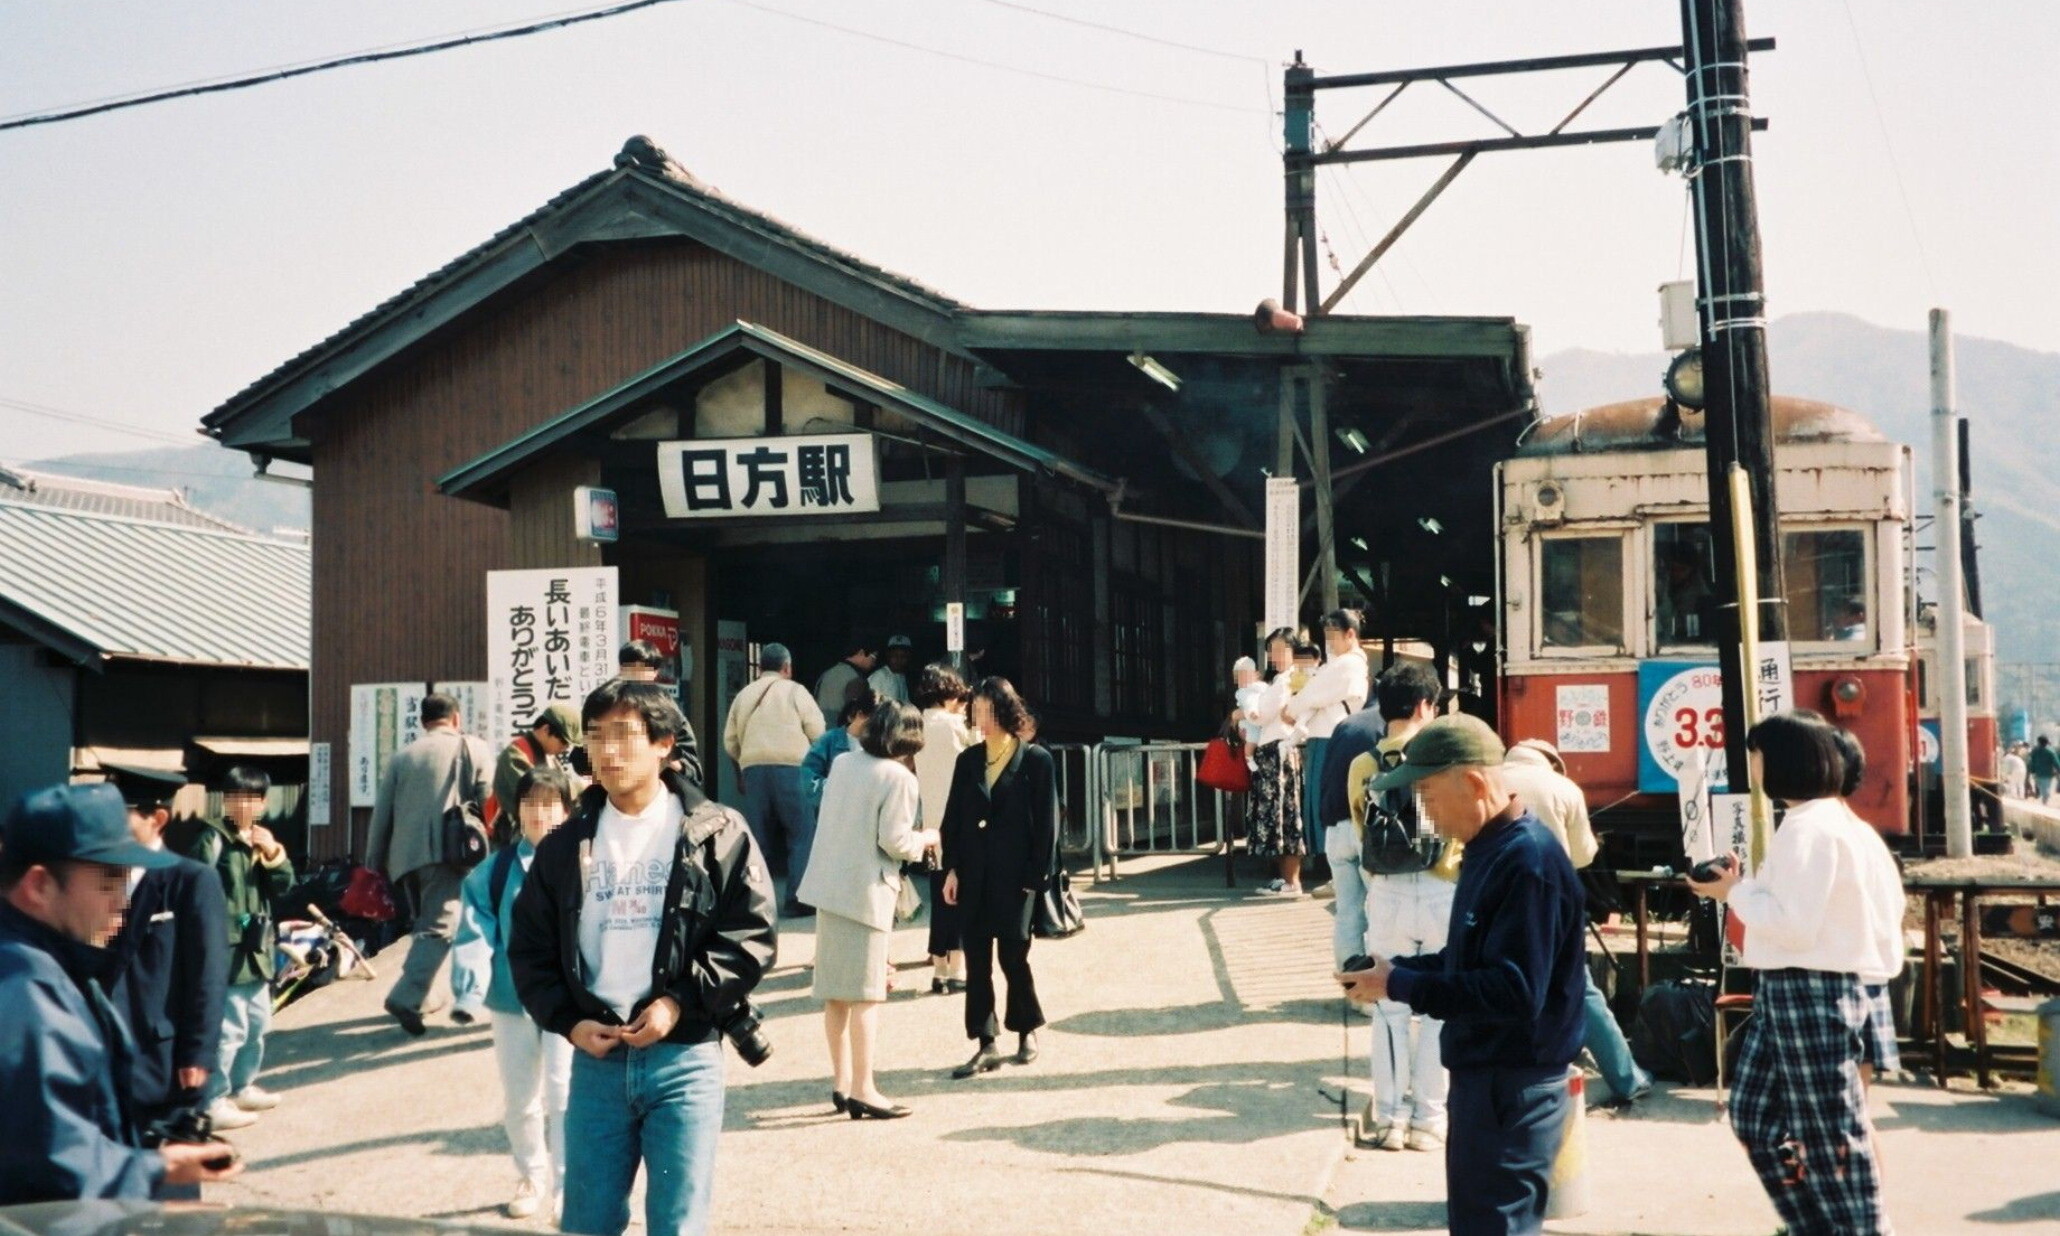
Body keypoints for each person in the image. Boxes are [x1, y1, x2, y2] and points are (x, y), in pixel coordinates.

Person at [508, 679, 778, 1236]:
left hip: (685, 1059)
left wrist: (679, 1003)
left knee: (678, 1225)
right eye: (596, 736)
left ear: (664, 744)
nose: (606, 752)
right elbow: (530, 948)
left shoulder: (717, 832)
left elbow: (751, 932)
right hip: (597, 1065)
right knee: (587, 1221)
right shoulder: (565, 845)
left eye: (623, 735)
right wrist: (568, 1020)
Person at [1337, 714, 1587, 1236]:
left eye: (1426, 793)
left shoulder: (1529, 862)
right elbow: (1470, 960)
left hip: (1514, 1084)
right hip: (1485, 1077)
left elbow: (1514, 991)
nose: (1422, 810)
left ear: (1473, 783)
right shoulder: (1488, 848)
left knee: (1497, 1226)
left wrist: (1401, 985)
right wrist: (1396, 970)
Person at [1688, 711, 1903, 1236]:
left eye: (1755, 756)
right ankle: (1818, 1224)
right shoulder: (1836, 826)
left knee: (1828, 1136)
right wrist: (1741, 888)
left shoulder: (1809, 830)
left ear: (1778, 761)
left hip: (1810, 987)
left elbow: (1792, 922)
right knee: (1761, 1118)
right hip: (1821, 985)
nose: (1752, 767)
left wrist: (1730, 893)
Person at [0, 784, 244, 1203]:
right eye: (108, 882)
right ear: (38, 886)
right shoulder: (27, 991)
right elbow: (51, 1167)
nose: (122, 902)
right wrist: (160, 1168)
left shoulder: (40, 963)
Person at [797, 700, 940, 1119]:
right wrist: (928, 838)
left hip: (829, 887)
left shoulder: (843, 763)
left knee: (836, 996)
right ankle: (865, 1088)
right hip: (866, 893)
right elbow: (896, 842)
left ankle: (842, 1084)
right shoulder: (898, 777)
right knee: (867, 996)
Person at [451, 765, 578, 1220]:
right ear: (517, 810)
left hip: (568, 1004)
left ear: (567, 810)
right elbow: (474, 933)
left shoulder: (587, 862)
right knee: (521, 1097)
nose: (541, 814)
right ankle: (531, 1176)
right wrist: (468, 993)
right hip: (512, 1000)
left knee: (565, 1095)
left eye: (551, 804)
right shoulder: (494, 870)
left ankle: (567, 1187)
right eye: (532, 804)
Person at [1498, 740, 1651, 1108]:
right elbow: (1584, 856)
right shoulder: (1563, 788)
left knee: (1502, 983)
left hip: (1497, 898)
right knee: (1578, 988)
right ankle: (1626, 1077)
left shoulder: (1490, 780)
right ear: (1551, 762)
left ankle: (1511, 1079)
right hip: (1551, 901)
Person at [1343, 662, 1456, 1151]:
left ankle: (1390, 1120)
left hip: (1386, 893)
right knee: (1438, 1010)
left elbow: (1360, 832)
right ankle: (1430, 1122)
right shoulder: (1444, 756)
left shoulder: (1363, 764)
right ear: (1425, 706)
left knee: (1387, 1009)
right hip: (1441, 890)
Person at [103, 766, 228, 1159]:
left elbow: (208, 974)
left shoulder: (191, 880)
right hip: (103, 1053)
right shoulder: (97, 878)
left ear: (157, 819)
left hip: (162, 1056)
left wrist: (198, 1053)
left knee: (169, 1187)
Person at [941, 677, 1057, 1078]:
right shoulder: (967, 760)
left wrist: (1034, 877)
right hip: (973, 874)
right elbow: (952, 819)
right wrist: (951, 867)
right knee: (977, 961)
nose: (981, 720)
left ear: (1006, 712)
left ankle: (1026, 1028)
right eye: (976, 712)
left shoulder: (1036, 760)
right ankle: (985, 1040)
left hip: (1016, 877)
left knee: (1013, 957)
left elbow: (1046, 826)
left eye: (988, 712)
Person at [367, 693, 493, 1036]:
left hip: (405, 860)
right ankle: (406, 996)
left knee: (427, 925)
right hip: (447, 854)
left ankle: (426, 996)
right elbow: (489, 802)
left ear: (423, 723)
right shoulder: (474, 748)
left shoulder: (402, 757)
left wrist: (373, 863)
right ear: (456, 718)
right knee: (441, 927)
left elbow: (382, 815)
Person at [183, 766, 294, 1130]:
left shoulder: (261, 840)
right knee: (227, 1029)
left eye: (251, 798)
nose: (242, 805)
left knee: (257, 1024)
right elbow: (194, 891)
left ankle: (243, 1086)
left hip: (257, 950)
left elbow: (284, 886)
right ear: (225, 801)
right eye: (235, 797)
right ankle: (213, 1100)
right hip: (225, 951)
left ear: (262, 803)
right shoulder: (212, 839)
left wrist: (274, 852)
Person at [723, 642, 828, 917]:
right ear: (787, 667)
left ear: (759, 668)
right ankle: (798, 899)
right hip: (793, 769)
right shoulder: (796, 691)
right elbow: (818, 732)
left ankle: (756, 903)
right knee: (801, 834)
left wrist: (744, 769)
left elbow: (730, 742)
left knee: (758, 839)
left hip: (754, 771)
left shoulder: (744, 695)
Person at [1284, 609, 1370, 891]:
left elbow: (1310, 694)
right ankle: (1338, 873)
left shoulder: (1345, 664)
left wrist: (1293, 708)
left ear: (1350, 634)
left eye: (1334, 634)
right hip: (1329, 733)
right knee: (1330, 802)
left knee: (1328, 802)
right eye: (1327, 634)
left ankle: (1338, 873)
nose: (1330, 640)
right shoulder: (1347, 664)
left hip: (1328, 734)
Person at [912, 664, 976, 994]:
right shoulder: (953, 726)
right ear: (949, 692)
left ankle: (939, 970)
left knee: (940, 896)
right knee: (960, 896)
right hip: (960, 820)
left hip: (931, 823)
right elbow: (971, 765)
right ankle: (957, 969)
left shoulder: (918, 724)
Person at [1318, 686, 1385, 970]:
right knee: (1382, 910)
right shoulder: (1388, 726)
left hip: (1335, 829)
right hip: (1367, 828)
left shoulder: (1345, 724)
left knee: (1347, 912)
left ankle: (1351, 981)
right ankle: (1378, 986)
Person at [1243, 628, 1308, 897]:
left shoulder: (1288, 679)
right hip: (1276, 752)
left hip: (1279, 753)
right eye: (1271, 650)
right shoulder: (1286, 679)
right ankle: (1286, 880)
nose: (1275, 655)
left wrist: (1243, 711)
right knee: (1279, 817)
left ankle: (1292, 882)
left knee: (1283, 816)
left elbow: (1262, 715)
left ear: (1294, 651)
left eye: (1282, 649)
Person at [493, 703, 582, 837]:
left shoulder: (549, 758)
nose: (565, 748)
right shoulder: (516, 755)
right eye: (564, 742)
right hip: (515, 837)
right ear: (546, 729)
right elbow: (542, 793)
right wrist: (581, 787)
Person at [801, 692, 877, 822]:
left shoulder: (878, 744)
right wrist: (838, 790)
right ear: (860, 715)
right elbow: (807, 779)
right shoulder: (830, 740)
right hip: (832, 817)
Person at [814, 639, 879, 717]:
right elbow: (856, 716)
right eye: (874, 657)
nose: (874, 663)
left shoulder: (826, 674)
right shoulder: (857, 679)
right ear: (861, 653)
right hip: (841, 727)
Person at [867, 634, 915, 704]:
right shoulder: (880, 676)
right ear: (888, 655)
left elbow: (906, 702)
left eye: (903, 656)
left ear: (908, 657)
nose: (899, 660)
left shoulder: (902, 676)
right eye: (895, 655)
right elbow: (870, 702)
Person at [2031, 736, 2059, 804]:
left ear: (2038, 742)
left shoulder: (2035, 751)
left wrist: (2032, 771)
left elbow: (2032, 762)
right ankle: (2044, 804)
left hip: (2038, 774)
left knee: (2043, 790)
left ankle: (2043, 803)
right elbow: (2056, 763)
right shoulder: (2050, 752)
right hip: (2047, 774)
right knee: (2045, 791)